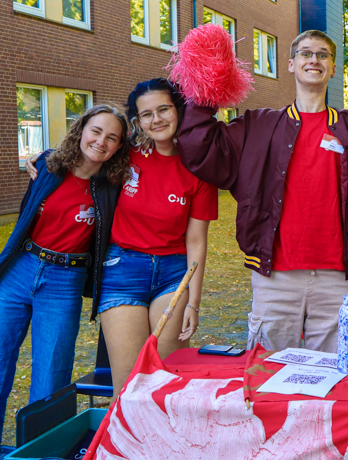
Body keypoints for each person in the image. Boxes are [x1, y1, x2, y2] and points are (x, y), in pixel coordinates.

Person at [177, 30, 348, 353]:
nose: (313, 59)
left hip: (337, 279)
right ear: (290, 64)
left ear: (333, 68)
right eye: (305, 53)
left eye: (322, 54)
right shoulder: (258, 127)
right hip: (275, 278)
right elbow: (201, 149)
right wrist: (206, 87)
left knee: (334, 380)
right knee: (268, 378)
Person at [0, 105, 129, 460]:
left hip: (64, 282)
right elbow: (43, 168)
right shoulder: (49, 165)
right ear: (81, 130)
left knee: (50, 379)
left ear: (118, 146)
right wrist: (38, 157)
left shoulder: (114, 185)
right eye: (96, 131)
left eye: (112, 137)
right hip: (21, 269)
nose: (101, 141)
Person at [25, 79, 218, 392]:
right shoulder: (125, 156)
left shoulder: (198, 168)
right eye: (146, 114)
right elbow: (87, 153)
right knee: (128, 388)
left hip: (173, 275)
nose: (156, 119)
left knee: (166, 383)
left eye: (163, 109)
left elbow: (196, 240)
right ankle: (126, 441)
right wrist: (47, 157)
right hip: (122, 269)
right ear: (138, 121)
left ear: (178, 110)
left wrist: (193, 303)